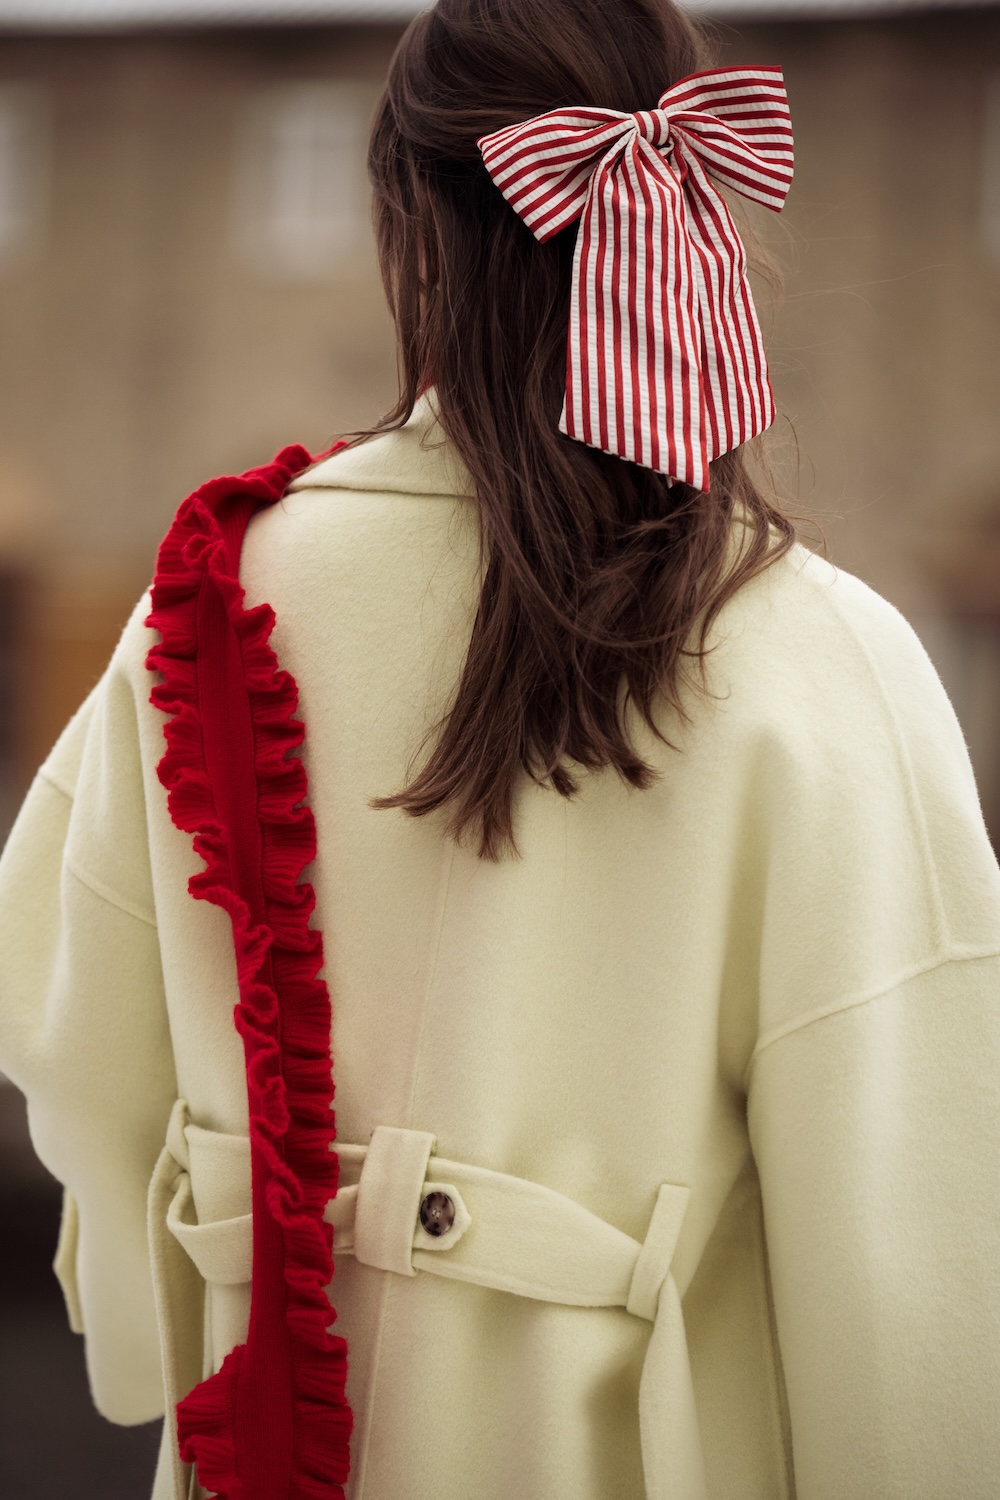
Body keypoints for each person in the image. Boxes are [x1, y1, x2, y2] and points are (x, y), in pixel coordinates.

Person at [1, 0, 998, 1496]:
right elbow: (916, 1224)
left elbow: (73, 1031)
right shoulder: (825, 660)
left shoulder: (209, 599)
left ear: (408, 222)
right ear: (704, 216)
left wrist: (162, 1326)